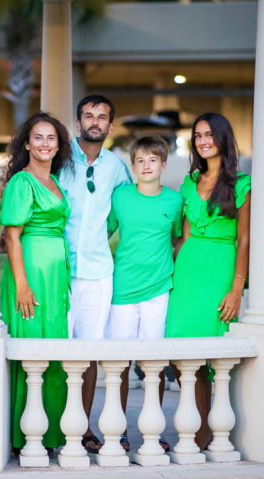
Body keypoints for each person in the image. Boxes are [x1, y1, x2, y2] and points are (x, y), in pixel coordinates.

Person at [166, 112, 251, 451]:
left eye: (209, 135)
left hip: (220, 267)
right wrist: (170, 274)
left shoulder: (241, 183)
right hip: (188, 270)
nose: (203, 141)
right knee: (180, 349)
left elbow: (244, 239)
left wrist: (237, 288)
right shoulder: (189, 182)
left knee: (213, 350)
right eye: (198, 135)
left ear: (223, 139)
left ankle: (214, 429)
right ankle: (198, 426)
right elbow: (184, 235)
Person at [57, 95, 132, 453]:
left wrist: (102, 236)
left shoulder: (116, 167)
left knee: (88, 354)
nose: (95, 122)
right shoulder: (58, 156)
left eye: (102, 117)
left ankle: (82, 428)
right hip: (59, 270)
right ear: (77, 122)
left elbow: (122, 211)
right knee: (54, 350)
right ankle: (51, 427)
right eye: (88, 115)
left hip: (98, 272)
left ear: (110, 126)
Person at [105, 136, 184, 452]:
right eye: (140, 160)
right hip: (122, 290)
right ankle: (118, 429)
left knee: (154, 365)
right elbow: (104, 233)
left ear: (164, 165)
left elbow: (179, 239)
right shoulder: (120, 197)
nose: (147, 165)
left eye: (153, 160)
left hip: (158, 292)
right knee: (119, 364)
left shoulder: (175, 201)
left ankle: (154, 430)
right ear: (133, 166)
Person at [0, 112, 72, 454]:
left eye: (51, 138)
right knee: (32, 349)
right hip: (29, 274)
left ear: (59, 146)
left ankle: (50, 433)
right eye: (38, 137)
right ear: (26, 144)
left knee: (54, 347)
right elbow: (12, 237)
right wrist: (22, 284)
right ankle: (22, 434)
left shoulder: (55, 181)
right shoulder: (21, 182)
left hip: (55, 275)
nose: (45, 144)